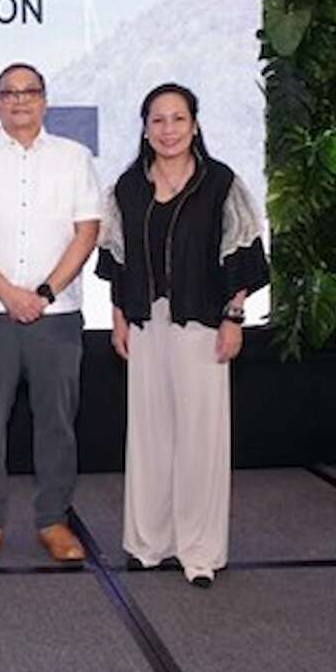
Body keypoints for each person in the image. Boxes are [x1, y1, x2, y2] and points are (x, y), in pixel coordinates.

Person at [96, 83, 269, 587]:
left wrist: (234, 318)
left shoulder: (221, 183)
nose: (167, 130)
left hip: (203, 324)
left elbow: (242, 254)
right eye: (157, 120)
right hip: (144, 324)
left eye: (177, 119)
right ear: (145, 128)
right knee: (149, 435)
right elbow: (117, 260)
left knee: (200, 438)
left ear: (194, 125)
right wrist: (118, 318)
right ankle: (149, 544)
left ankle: (199, 550)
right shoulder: (128, 187)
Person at [0, 62, 102, 564]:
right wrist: (8, 293)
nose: (20, 100)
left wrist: (45, 293)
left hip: (58, 315)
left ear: (44, 101)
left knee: (57, 422)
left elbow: (87, 231)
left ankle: (53, 520)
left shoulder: (75, 158)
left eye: (30, 91)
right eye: (9, 93)